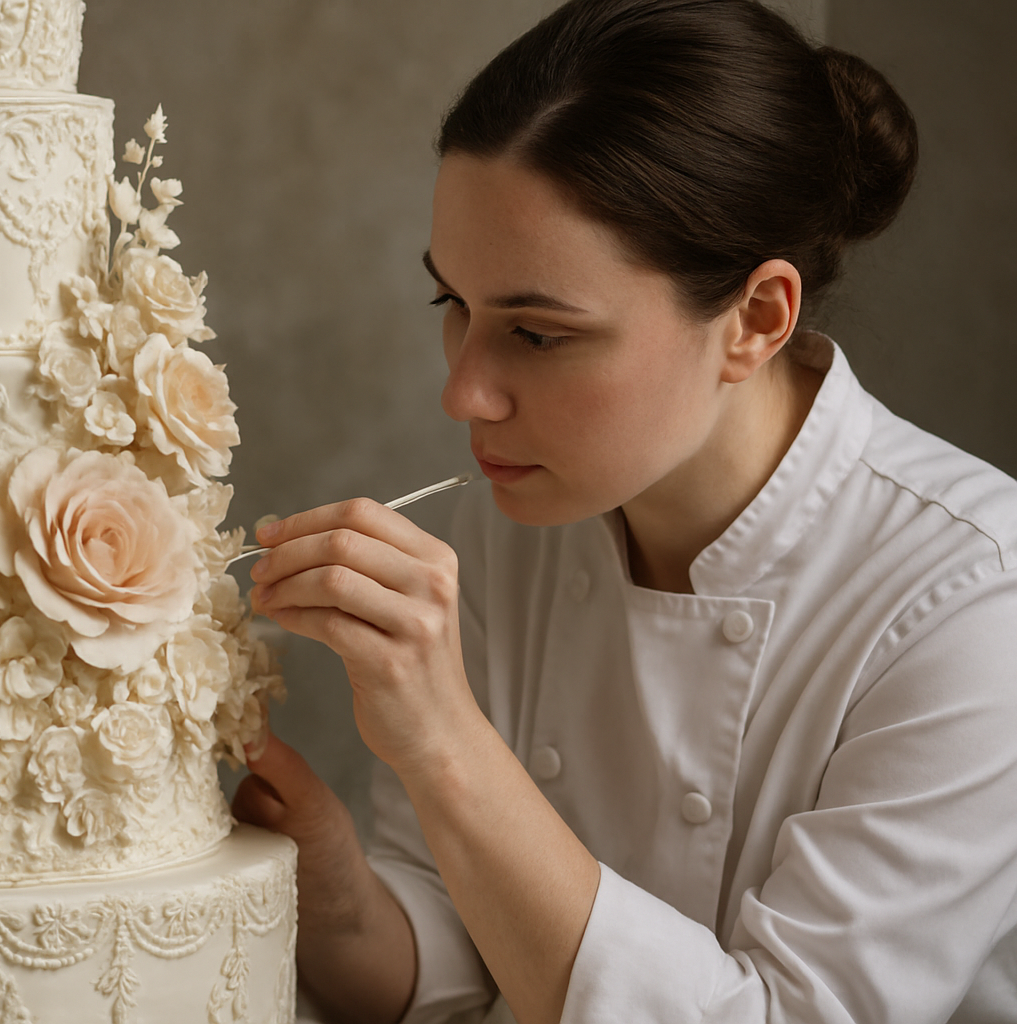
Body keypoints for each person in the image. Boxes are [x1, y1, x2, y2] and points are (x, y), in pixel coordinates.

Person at [230, 1, 1017, 1022]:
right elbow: (460, 964)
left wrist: (443, 740)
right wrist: (334, 887)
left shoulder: (971, 600)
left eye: (539, 333)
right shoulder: (510, 528)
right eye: (452, 306)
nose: (464, 393)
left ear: (756, 319)